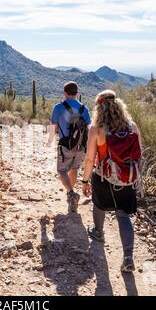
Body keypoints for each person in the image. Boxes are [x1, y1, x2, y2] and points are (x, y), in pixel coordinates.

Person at [80, 90, 143, 273]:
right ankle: (128, 257)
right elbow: (139, 153)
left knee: (99, 205)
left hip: (104, 177)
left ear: (99, 108)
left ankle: (98, 232)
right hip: (127, 178)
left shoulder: (96, 129)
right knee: (123, 215)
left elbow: (90, 159)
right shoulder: (132, 127)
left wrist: (85, 181)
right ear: (118, 106)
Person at [47, 81, 91, 213]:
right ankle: (70, 197)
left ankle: (72, 194)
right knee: (74, 168)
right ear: (77, 93)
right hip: (80, 146)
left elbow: (53, 127)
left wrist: (50, 140)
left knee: (61, 171)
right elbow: (89, 128)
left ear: (65, 93)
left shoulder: (58, 107)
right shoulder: (84, 109)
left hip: (66, 144)